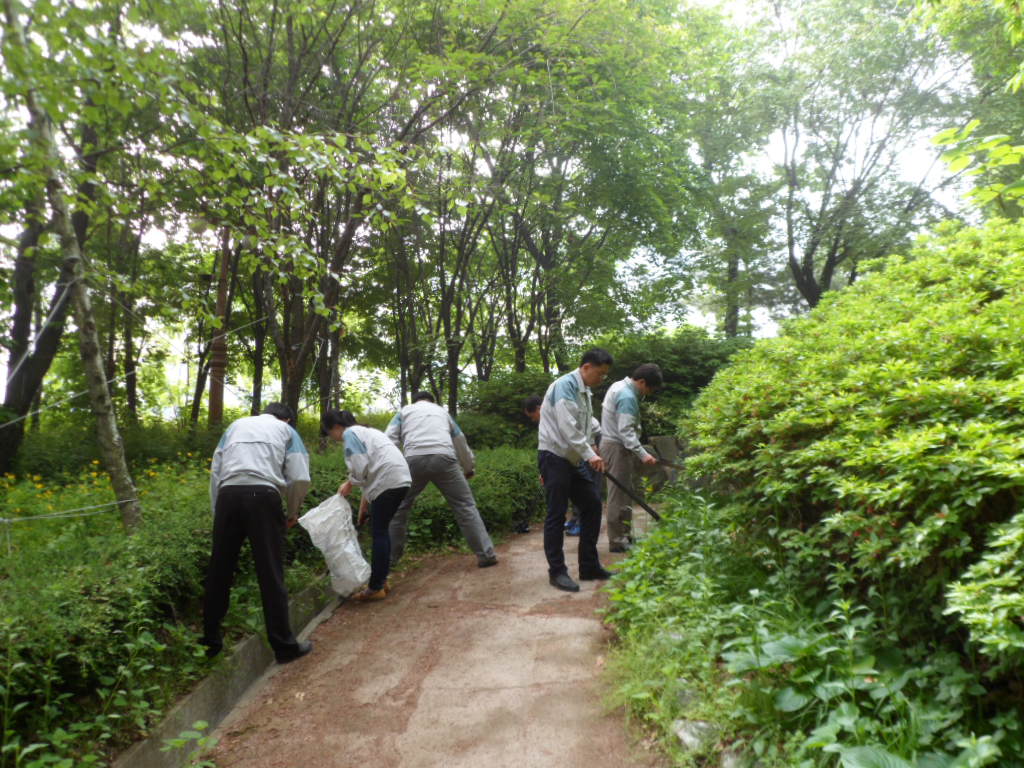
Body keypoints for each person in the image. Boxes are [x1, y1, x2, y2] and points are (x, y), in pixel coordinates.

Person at [202, 403, 313, 663]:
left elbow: (216, 472)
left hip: (228, 496)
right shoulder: (285, 430)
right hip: (263, 496)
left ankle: (209, 643)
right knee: (270, 572)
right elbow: (299, 477)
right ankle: (284, 647)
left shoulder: (234, 426)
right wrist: (292, 512)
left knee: (219, 570)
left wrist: (218, 511)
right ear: (286, 419)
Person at [385, 392, 498, 568]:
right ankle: (486, 554)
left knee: (398, 509)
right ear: (432, 401)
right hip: (444, 458)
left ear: (415, 401)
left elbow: (389, 439)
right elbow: (459, 440)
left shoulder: (404, 412)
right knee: (465, 506)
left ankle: (390, 560)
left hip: (413, 459)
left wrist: (395, 468)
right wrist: (468, 468)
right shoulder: (442, 412)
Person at [537, 348, 614, 592]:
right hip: (553, 456)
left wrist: (592, 445)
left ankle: (589, 566)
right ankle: (557, 572)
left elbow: (585, 424)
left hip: (571, 459)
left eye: (605, 375)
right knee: (556, 514)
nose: (601, 379)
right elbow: (568, 427)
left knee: (591, 504)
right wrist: (590, 456)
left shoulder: (585, 391)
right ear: (586, 367)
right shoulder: (565, 386)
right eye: (600, 374)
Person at [322, 409, 411, 601]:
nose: (334, 438)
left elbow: (360, 468)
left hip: (387, 481)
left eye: (330, 433)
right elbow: (369, 474)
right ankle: (382, 580)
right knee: (381, 531)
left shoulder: (350, 434)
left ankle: (375, 587)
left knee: (379, 533)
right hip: (399, 481)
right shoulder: (369, 432)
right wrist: (364, 505)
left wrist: (349, 483)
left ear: (337, 427)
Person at [600, 363, 663, 552]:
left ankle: (624, 536)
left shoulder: (619, 386)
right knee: (618, 496)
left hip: (617, 446)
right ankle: (618, 541)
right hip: (617, 448)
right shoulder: (627, 396)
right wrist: (643, 455)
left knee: (625, 492)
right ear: (642, 382)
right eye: (649, 389)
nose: (649, 393)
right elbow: (626, 432)